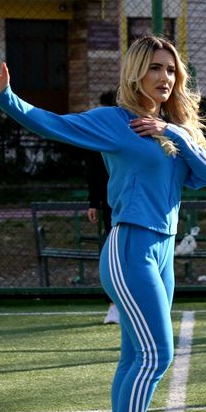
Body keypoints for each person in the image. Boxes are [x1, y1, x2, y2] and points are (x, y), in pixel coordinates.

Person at [0, 35, 206, 412]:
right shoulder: (116, 121)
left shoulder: (173, 127)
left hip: (163, 251)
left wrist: (173, 133)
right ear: (135, 72)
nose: (165, 77)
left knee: (135, 356)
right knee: (157, 355)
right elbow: (53, 125)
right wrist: (5, 97)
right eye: (155, 67)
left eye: (171, 69)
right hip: (130, 246)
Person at [85, 90, 118, 324]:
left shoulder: (142, 127)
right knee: (113, 251)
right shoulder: (100, 131)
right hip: (111, 202)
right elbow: (94, 170)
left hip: (136, 202)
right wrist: (93, 202)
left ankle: (137, 304)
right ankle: (114, 305)